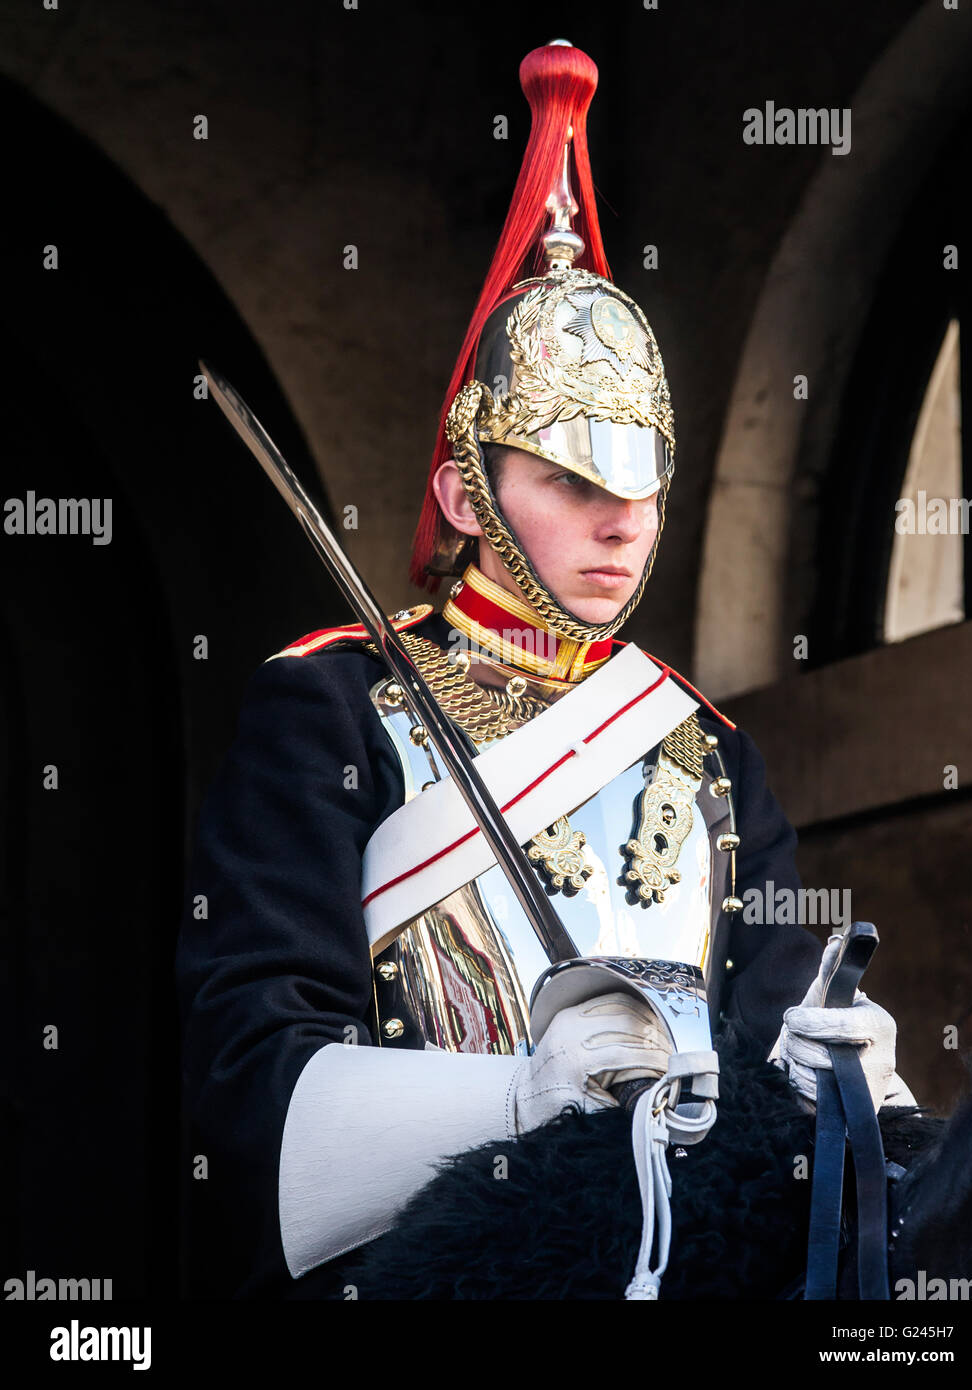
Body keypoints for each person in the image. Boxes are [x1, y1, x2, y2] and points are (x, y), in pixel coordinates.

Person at [175, 40, 909, 1301]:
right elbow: (252, 1077)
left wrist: (831, 1080)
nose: (622, 521)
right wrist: (517, 1098)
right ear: (467, 490)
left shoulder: (709, 747)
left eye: (644, 486)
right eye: (573, 480)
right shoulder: (335, 704)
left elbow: (761, 1043)